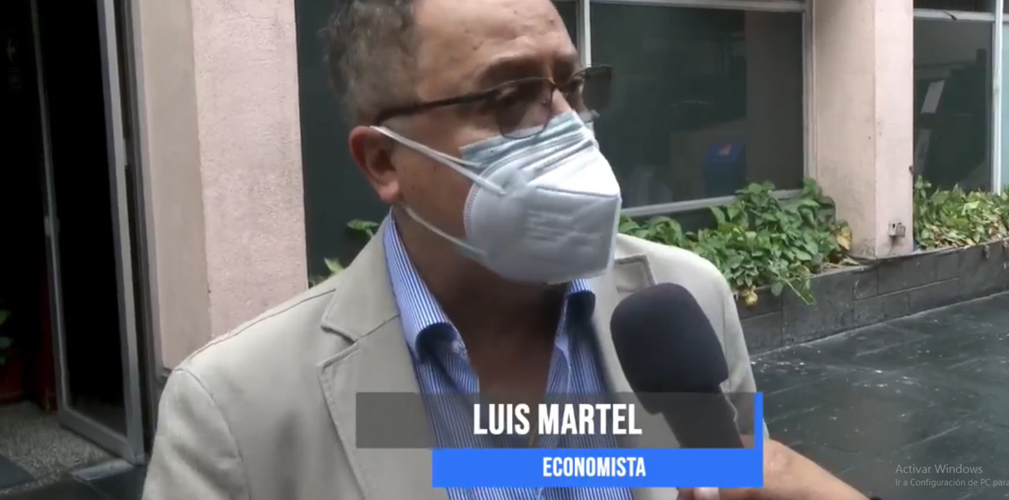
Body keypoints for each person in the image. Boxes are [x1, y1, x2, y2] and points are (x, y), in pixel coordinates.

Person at [142, 0, 873, 499]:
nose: (566, 127)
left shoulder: (684, 300)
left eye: (571, 88)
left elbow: (729, 474)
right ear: (384, 161)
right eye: (507, 100)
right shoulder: (235, 409)